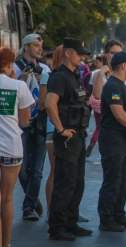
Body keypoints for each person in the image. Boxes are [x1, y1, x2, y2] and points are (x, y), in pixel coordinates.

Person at [46, 38, 92, 241]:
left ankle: (71, 223)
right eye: (79, 54)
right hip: (67, 137)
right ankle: (57, 227)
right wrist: (61, 128)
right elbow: (50, 103)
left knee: (77, 182)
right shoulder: (59, 77)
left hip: (78, 136)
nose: (82, 57)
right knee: (65, 182)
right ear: (68, 53)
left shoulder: (75, 76)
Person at [97, 52, 126, 232]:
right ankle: (106, 219)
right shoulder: (113, 86)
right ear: (124, 66)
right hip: (112, 140)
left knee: (123, 179)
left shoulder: (121, 85)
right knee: (112, 179)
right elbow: (118, 112)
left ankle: (118, 214)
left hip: (122, 140)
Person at [0, 47, 35, 247]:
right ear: (10, 64)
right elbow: (25, 121)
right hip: (11, 147)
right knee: (7, 198)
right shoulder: (19, 86)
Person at [14, 33, 51, 221]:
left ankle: (28, 206)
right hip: (20, 122)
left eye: (41, 45)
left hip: (39, 121)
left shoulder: (44, 68)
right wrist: (21, 78)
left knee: (36, 169)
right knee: (21, 167)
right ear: (26, 46)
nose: (40, 48)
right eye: (36, 45)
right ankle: (33, 198)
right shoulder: (14, 67)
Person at [86, 40, 124, 157]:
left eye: (119, 53)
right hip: (105, 119)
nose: (116, 56)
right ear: (106, 54)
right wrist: (101, 73)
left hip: (123, 121)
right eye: (113, 53)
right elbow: (96, 96)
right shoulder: (97, 73)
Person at [44, 45, 64, 213]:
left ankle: (66, 210)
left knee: (66, 173)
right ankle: (52, 211)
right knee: (55, 170)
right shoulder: (51, 75)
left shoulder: (68, 76)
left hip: (63, 130)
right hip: (54, 130)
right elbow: (46, 104)